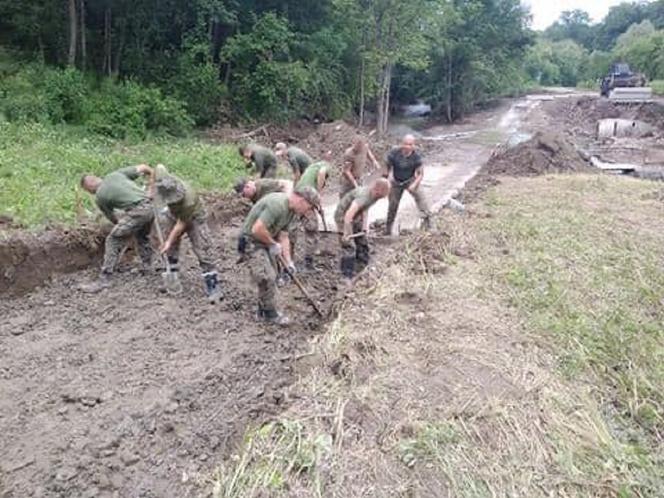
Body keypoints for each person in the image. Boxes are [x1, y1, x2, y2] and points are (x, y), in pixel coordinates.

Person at [237, 187, 321, 325]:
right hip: (250, 241)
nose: (307, 211)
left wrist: (289, 262)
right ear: (301, 200)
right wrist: (272, 244)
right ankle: (269, 314)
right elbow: (257, 229)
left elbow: (284, 236)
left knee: (273, 274)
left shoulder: (291, 212)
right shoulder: (277, 205)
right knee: (266, 275)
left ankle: (262, 309)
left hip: (264, 240)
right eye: (309, 207)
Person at [79, 164, 155, 293]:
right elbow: (145, 167)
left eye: (87, 191)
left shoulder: (100, 197)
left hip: (138, 211)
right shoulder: (115, 174)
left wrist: (124, 228)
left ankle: (105, 278)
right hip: (151, 207)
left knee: (113, 239)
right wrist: (151, 189)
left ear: (89, 187)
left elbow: (114, 219)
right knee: (142, 236)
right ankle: (147, 266)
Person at [152, 164, 222, 303]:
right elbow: (155, 171)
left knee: (203, 248)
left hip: (194, 218)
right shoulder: (163, 181)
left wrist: (168, 241)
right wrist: (150, 192)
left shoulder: (188, 198)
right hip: (173, 215)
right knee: (170, 249)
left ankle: (213, 286)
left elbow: (180, 225)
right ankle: (173, 279)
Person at [335, 179, 390, 279]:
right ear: (377, 190)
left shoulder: (374, 196)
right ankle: (346, 274)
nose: (382, 198)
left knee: (362, 240)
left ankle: (362, 266)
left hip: (355, 216)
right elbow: (348, 215)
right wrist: (346, 233)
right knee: (349, 245)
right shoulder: (363, 196)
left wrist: (364, 226)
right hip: (343, 216)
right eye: (381, 195)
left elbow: (365, 209)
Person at [383, 134, 431, 235]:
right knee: (392, 205)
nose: (407, 147)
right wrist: (387, 178)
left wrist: (414, 185)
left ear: (413, 145)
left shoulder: (416, 156)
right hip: (396, 180)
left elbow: (420, 174)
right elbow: (387, 167)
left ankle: (428, 224)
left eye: (410, 145)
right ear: (402, 144)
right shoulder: (394, 152)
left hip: (410, 179)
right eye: (405, 144)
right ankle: (388, 229)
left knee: (422, 200)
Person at [294, 160, 329, 271]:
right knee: (312, 230)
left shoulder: (311, 168)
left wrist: (318, 207)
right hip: (305, 198)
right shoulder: (325, 168)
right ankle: (309, 263)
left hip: (298, 196)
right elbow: (322, 173)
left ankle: (297, 259)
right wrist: (318, 200)